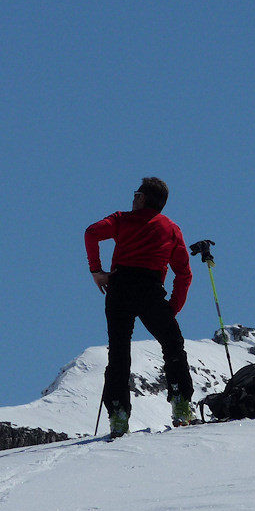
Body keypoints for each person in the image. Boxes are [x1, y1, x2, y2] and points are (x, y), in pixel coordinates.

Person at [84, 177, 195, 436]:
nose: (132, 198)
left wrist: (97, 271)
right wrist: (171, 309)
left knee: (119, 352)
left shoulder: (121, 219)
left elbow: (91, 233)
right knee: (172, 345)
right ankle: (180, 404)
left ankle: (118, 415)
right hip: (150, 289)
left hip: (119, 287)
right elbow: (184, 274)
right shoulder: (170, 228)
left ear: (142, 198)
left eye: (135, 194)